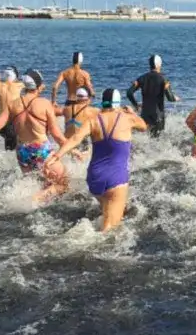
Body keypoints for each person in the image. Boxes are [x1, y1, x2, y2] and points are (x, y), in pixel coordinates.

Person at [0, 69, 68, 204]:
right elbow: (57, 135)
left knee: (40, 183)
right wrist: (73, 149)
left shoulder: (13, 105)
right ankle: (34, 200)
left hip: (22, 152)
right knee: (63, 183)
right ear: (38, 86)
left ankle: (30, 204)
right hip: (41, 150)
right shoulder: (44, 103)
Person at [47, 89, 147, 232]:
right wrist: (131, 112)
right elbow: (143, 126)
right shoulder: (127, 118)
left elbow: (75, 139)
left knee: (112, 209)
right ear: (118, 103)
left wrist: (57, 156)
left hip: (94, 178)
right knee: (109, 230)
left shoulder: (93, 120)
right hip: (116, 178)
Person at [126, 54, 178, 138]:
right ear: (159, 65)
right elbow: (170, 98)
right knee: (158, 140)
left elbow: (129, 93)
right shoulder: (163, 79)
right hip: (158, 116)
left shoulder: (142, 78)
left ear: (150, 65)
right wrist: (175, 98)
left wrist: (136, 105)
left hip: (145, 114)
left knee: (147, 138)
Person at [54, 87, 98, 159]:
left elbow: (53, 111)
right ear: (88, 98)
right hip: (80, 142)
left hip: (67, 144)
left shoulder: (66, 109)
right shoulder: (92, 110)